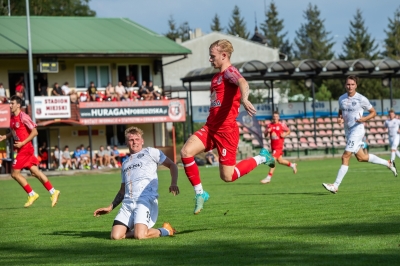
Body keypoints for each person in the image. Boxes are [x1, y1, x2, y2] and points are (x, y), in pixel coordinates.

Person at [180, 39, 275, 215]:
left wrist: (245, 98)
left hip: (226, 132)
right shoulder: (216, 77)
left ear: (224, 55)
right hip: (210, 128)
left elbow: (243, 83)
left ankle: (262, 157)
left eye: (212, 56)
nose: (210, 59)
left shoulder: (230, 72)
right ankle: (200, 193)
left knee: (227, 177)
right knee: (186, 152)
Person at [93, 126, 179, 240]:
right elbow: (122, 190)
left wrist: (173, 183)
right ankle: (140, 228)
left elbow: (172, 165)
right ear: (126, 142)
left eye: (137, 139)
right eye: (131, 140)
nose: (135, 142)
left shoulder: (150, 152)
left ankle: (166, 230)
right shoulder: (125, 164)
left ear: (142, 141)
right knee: (115, 236)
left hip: (145, 200)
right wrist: (110, 207)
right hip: (128, 203)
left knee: (140, 235)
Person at [322, 75, 397, 194]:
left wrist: (364, 119)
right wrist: (339, 119)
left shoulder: (361, 99)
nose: (350, 86)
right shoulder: (341, 98)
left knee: (345, 156)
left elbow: (373, 112)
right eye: (348, 84)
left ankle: (335, 185)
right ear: (345, 85)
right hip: (348, 130)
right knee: (361, 158)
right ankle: (388, 163)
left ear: (356, 85)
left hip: (357, 130)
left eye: (352, 84)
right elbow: (341, 111)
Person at [0, 95, 60, 207]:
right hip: (20, 149)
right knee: (35, 172)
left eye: (12, 103)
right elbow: (14, 133)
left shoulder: (24, 116)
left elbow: (35, 132)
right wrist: (5, 137)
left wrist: (23, 143)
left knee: (14, 174)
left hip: (25, 148)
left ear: (18, 105)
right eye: (10, 103)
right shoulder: (12, 118)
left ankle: (32, 194)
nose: (10, 105)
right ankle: (53, 192)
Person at [260, 111, 297, 184]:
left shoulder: (282, 125)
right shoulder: (269, 125)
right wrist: (268, 131)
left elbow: (288, 131)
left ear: (278, 117)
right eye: (274, 116)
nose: (275, 118)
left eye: (276, 116)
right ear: (272, 117)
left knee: (272, 161)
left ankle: (268, 178)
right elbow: (265, 135)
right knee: (280, 161)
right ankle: (292, 165)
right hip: (273, 147)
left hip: (279, 146)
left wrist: (285, 134)